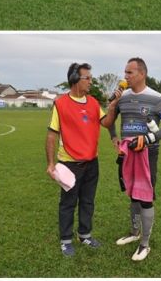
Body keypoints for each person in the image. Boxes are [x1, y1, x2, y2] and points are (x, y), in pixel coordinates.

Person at [101, 57, 161, 262]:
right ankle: (134, 233)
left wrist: (149, 138)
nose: (125, 76)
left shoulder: (157, 98)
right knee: (133, 193)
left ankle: (145, 244)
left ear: (142, 74)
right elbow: (109, 120)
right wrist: (114, 137)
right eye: (125, 72)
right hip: (127, 153)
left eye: (129, 73)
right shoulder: (122, 97)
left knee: (145, 196)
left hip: (148, 153)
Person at [45, 63, 106, 257]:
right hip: (69, 164)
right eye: (87, 78)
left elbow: (106, 122)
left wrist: (114, 106)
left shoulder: (94, 103)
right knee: (68, 203)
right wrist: (51, 163)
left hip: (92, 163)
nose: (90, 81)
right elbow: (51, 135)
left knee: (88, 201)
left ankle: (85, 235)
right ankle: (65, 241)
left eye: (90, 77)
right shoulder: (61, 104)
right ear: (74, 80)